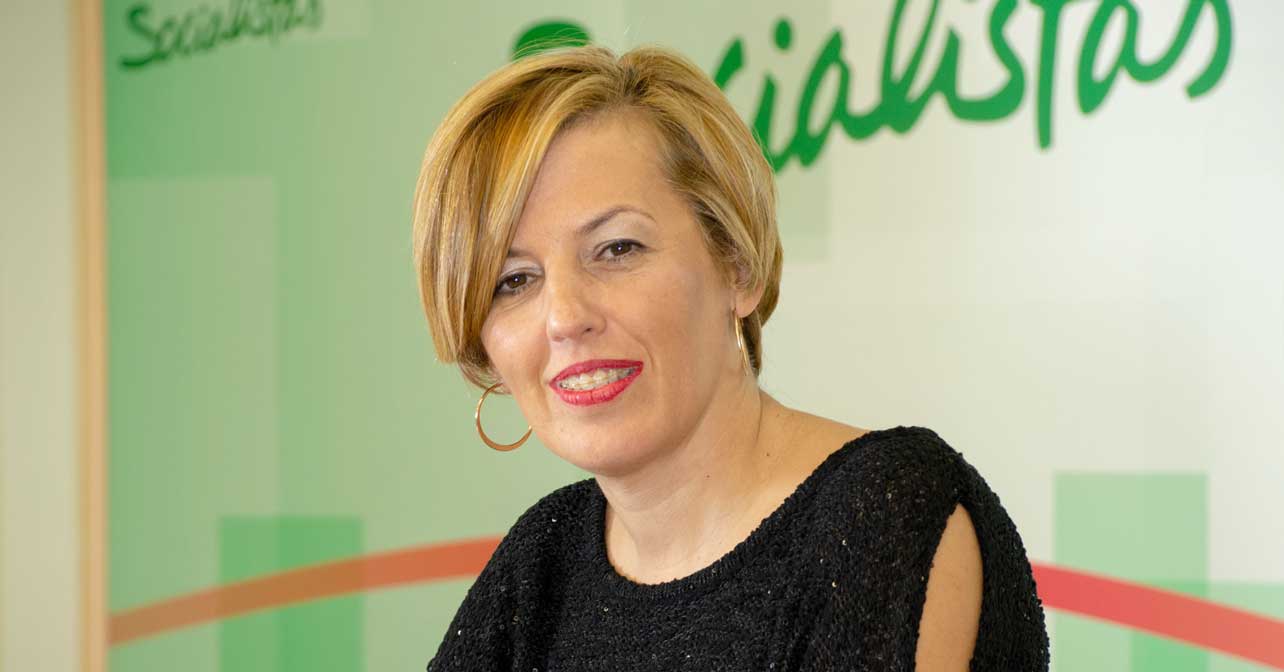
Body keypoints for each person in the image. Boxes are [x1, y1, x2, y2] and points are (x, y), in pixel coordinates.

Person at [411, 43, 1049, 671]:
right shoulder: (538, 566)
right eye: (513, 281)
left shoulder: (880, 516)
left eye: (618, 248)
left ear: (736, 265)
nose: (564, 317)